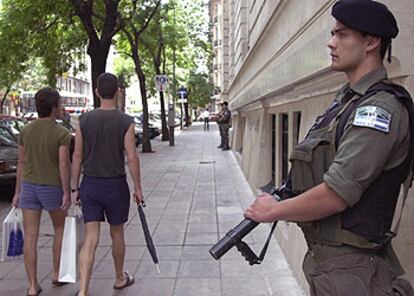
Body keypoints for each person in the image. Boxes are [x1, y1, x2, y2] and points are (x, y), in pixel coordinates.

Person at [244, 1, 414, 295]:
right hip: (332, 267)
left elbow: (336, 194)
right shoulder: (346, 101)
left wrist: (274, 210)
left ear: (372, 42)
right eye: (333, 33)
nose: (331, 42)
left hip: (354, 271)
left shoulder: (377, 109)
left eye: (342, 34)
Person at [71, 73, 144, 296]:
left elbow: (77, 155)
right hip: (115, 186)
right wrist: (138, 188)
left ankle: (83, 290)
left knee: (90, 238)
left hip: (90, 185)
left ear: (96, 92)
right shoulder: (125, 122)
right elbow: (132, 157)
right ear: (118, 92)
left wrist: (75, 187)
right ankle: (119, 277)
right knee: (117, 234)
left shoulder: (84, 121)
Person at [12, 88, 71, 296]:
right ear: (54, 107)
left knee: (30, 237)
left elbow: (21, 162)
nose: (61, 107)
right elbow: (64, 165)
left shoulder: (25, 131)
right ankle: (56, 273)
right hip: (52, 187)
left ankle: (32, 285)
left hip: (29, 187)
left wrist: (18, 192)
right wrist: (67, 192)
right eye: (60, 104)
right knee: (60, 229)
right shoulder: (61, 133)